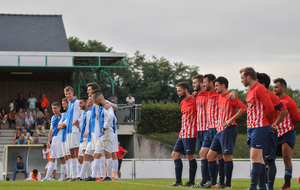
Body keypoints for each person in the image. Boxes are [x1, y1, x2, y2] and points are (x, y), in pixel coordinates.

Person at [206, 76, 247, 189]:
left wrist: (230, 120)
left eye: (217, 85)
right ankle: (215, 184)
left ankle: (228, 185)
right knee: (210, 156)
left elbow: (243, 108)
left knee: (227, 157)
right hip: (219, 131)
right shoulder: (220, 96)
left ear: (223, 85)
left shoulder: (230, 97)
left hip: (228, 129)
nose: (215, 88)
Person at [240, 67, 274, 190]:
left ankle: (253, 187)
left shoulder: (259, 88)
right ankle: (262, 187)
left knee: (254, 156)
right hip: (252, 127)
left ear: (249, 77)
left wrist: (269, 123)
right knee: (259, 158)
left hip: (260, 127)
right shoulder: (249, 91)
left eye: (242, 77)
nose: (241, 80)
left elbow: (270, 107)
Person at [255, 73, 288, 190]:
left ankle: (270, 187)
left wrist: (274, 124)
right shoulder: (255, 95)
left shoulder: (270, 96)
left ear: (262, 84)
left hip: (269, 133)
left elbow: (284, 111)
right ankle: (261, 185)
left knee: (269, 159)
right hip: (258, 132)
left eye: (256, 81)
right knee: (259, 159)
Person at [273, 78, 300, 190]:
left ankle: (287, 185)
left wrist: (287, 126)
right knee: (270, 158)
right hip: (274, 133)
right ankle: (267, 183)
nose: (274, 89)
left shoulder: (289, 101)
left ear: (283, 88)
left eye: (276, 87)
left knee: (286, 158)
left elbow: (297, 118)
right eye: (273, 87)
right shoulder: (273, 100)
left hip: (287, 133)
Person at [169, 82, 197, 187]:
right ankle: (178, 181)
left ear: (185, 90)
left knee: (190, 156)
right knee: (175, 155)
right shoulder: (182, 103)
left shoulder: (195, 101)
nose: (177, 93)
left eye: (179, 90)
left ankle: (191, 181)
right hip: (182, 133)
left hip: (191, 133)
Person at [190, 74, 210, 188]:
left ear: (202, 83)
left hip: (209, 129)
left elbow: (225, 94)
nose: (193, 85)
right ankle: (205, 181)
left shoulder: (210, 94)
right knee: (203, 155)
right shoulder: (197, 95)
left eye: (194, 82)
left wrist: (234, 93)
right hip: (200, 129)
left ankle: (211, 181)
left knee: (209, 155)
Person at [92, 91, 116, 181]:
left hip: (107, 133)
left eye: (95, 101)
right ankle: (93, 176)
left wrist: (105, 126)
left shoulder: (107, 107)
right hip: (102, 135)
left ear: (99, 100)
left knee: (107, 154)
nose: (95, 103)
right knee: (96, 154)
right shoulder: (103, 107)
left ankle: (109, 176)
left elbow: (111, 116)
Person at [60, 86, 81, 180]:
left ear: (73, 93)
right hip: (68, 131)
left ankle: (79, 174)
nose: (68, 95)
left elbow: (82, 113)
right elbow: (69, 117)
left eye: (69, 93)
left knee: (77, 153)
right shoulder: (70, 103)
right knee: (71, 154)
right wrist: (64, 123)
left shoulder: (76, 102)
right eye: (66, 94)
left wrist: (78, 122)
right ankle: (72, 175)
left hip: (75, 131)